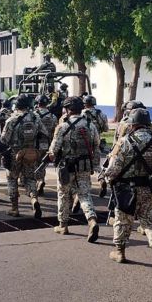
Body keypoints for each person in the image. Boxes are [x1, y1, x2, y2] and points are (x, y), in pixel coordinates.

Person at [104, 107, 152, 273]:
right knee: (149, 222)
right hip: (148, 188)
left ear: (133, 124)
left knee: (122, 220)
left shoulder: (124, 141)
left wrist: (107, 178)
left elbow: (114, 168)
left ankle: (119, 252)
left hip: (126, 189)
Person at [46, 96, 100, 242]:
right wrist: (95, 165)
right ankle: (92, 219)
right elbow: (96, 146)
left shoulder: (63, 126)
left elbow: (53, 150)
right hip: (84, 166)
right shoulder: (90, 125)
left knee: (63, 194)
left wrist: (51, 156)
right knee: (84, 194)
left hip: (66, 167)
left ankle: (63, 225)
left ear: (67, 110)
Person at [1, 94, 50, 217]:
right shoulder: (35, 118)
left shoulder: (11, 119)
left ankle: (14, 208)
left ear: (16, 105)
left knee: (12, 179)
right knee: (30, 179)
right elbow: (44, 133)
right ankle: (34, 199)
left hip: (15, 154)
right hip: (30, 154)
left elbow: (4, 139)